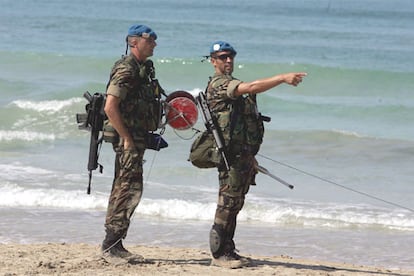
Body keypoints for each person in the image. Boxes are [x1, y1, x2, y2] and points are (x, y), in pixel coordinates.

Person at [204, 41, 306, 268]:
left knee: (236, 202)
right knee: (227, 201)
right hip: (229, 155)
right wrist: (282, 78)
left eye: (231, 56)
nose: (228, 60)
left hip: (242, 154)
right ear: (213, 61)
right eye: (223, 57)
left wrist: (250, 155)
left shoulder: (231, 82)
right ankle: (219, 254)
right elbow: (251, 87)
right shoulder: (220, 84)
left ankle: (228, 249)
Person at [101, 24, 164, 262]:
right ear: (133, 42)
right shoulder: (126, 68)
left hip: (137, 137)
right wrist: (126, 137)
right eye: (150, 40)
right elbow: (110, 106)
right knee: (127, 189)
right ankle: (111, 246)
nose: (154, 43)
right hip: (128, 139)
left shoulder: (143, 69)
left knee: (128, 187)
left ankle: (115, 244)